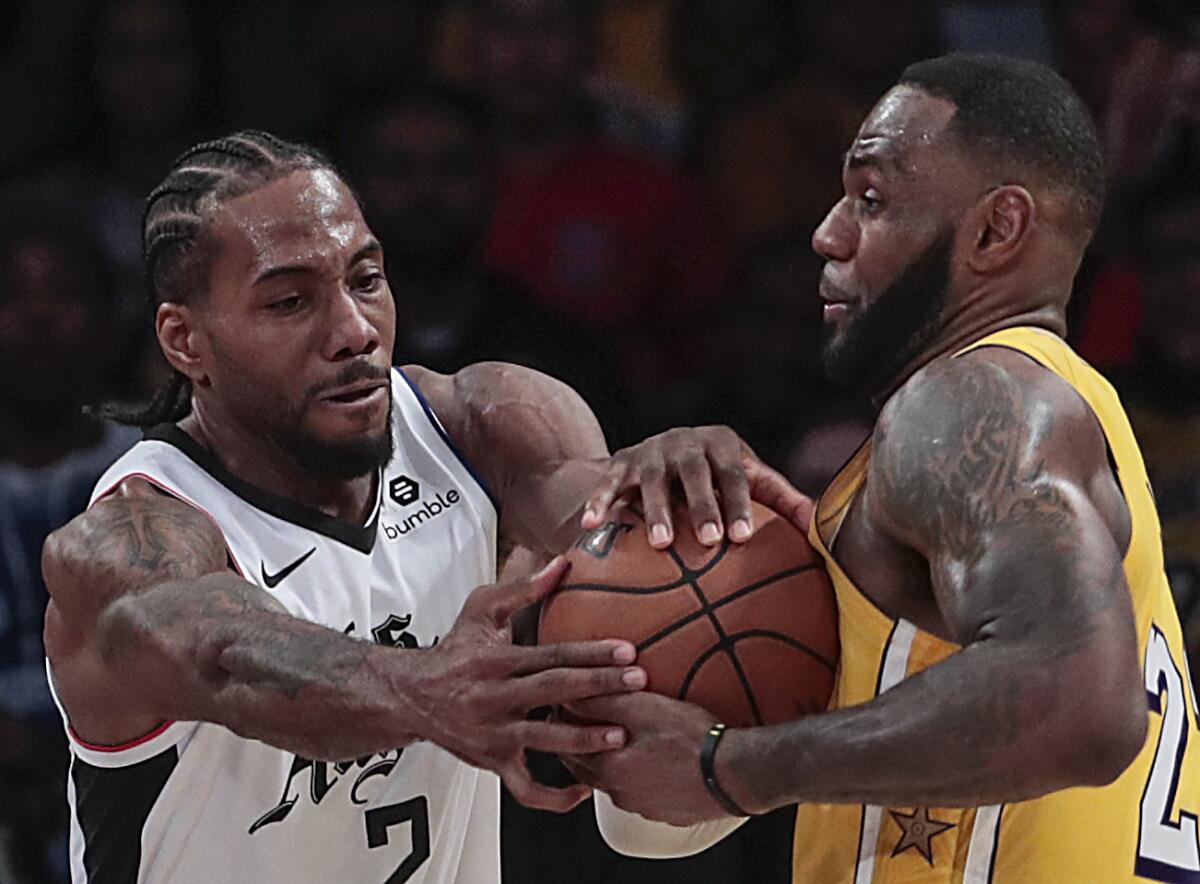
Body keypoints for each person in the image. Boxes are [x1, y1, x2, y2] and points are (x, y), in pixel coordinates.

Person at [39, 130, 803, 884]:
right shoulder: (128, 543)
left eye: (365, 279)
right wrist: (423, 689)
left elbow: (615, 540)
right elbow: (221, 655)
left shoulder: (486, 427)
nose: (354, 331)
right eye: (291, 301)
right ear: (185, 340)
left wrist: (680, 500)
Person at [566, 54, 1199, 883]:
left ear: (996, 230)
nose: (827, 232)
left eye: (871, 198)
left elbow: (1083, 710)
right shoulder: (1053, 411)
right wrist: (712, 563)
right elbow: (655, 823)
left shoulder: (977, 397)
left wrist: (736, 767)